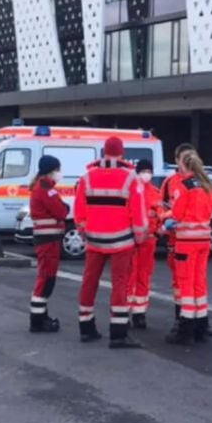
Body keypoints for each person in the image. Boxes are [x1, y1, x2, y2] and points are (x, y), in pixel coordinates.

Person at [74, 137, 147, 349]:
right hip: (121, 241)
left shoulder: (87, 177)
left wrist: (83, 231)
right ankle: (118, 333)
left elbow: (79, 211)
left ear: (103, 152)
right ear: (122, 153)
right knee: (120, 283)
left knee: (89, 281)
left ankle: (86, 327)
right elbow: (139, 213)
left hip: (95, 240)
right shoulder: (131, 178)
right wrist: (140, 236)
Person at [164, 151, 212, 345]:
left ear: (183, 165)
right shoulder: (207, 186)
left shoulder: (184, 186)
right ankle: (201, 326)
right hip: (204, 240)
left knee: (186, 284)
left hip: (186, 242)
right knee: (199, 283)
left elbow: (177, 213)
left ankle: (185, 330)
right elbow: (211, 209)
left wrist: (166, 220)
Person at [28, 155, 69, 333]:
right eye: (57, 170)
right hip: (48, 242)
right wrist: (64, 208)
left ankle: (41, 316)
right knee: (46, 280)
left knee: (46, 279)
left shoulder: (43, 187)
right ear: (51, 171)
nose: (59, 174)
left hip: (48, 241)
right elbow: (61, 211)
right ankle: (37, 320)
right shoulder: (46, 189)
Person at [161, 143, 196, 329]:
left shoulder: (200, 182)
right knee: (179, 280)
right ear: (176, 160)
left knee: (196, 280)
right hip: (176, 238)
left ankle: (197, 321)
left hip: (193, 240)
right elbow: (163, 207)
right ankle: (180, 317)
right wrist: (166, 220)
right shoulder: (170, 182)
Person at [129, 159, 163, 329]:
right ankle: (124, 312)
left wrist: (160, 228)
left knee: (144, 276)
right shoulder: (132, 189)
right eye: (144, 171)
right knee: (130, 277)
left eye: (149, 171)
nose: (147, 174)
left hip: (149, 240)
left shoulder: (155, 192)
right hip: (132, 241)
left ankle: (139, 313)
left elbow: (160, 214)